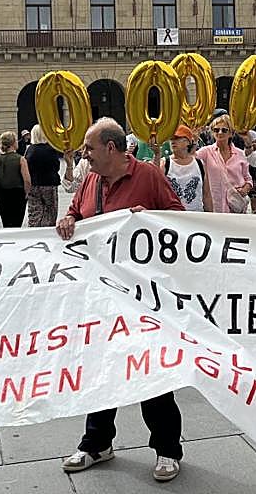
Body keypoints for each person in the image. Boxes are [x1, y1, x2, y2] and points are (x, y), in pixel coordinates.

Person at [56, 119, 185, 482]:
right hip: (101, 293)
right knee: (98, 368)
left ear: (111, 149)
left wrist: (153, 219)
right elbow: (75, 212)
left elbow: (181, 220)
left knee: (150, 370)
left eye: (89, 148)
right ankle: (96, 443)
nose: (85, 154)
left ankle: (167, 449)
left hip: (143, 296)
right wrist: (67, 219)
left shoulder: (149, 176)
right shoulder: (91, 180)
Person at [196, 113, 254, 213]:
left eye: (224, 130)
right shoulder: (205, 152)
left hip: (236, 206)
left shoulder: (240, 154)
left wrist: (245, 189)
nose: (220, 132)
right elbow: (190, 159)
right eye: (216, 130)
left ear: (231, 133)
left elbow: (248, 179)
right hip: (215, 206)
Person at [161, 125, 212, 211]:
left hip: (196, 216)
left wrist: (211, 218)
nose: (173, 141)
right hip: (173, 216)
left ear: (188, 142)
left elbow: (206, 195)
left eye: (177, 138)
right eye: (171, 139)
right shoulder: (165, 163)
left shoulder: (199, 164)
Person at [0, 132, 30, 228]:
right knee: (17, 222)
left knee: (6, 222)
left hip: (2, 193)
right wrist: (27, 192)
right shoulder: (21, 159)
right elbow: (27, 180)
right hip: (18, 193)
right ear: (13, 143)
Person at [24, 124, 63, 227]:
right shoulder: (51, 149)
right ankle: (48, 230)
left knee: (34, 211)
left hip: (34, 184)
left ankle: (35, 230)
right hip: (49, 184)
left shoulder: (30, 150)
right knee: (50, 211)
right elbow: (56, 166)